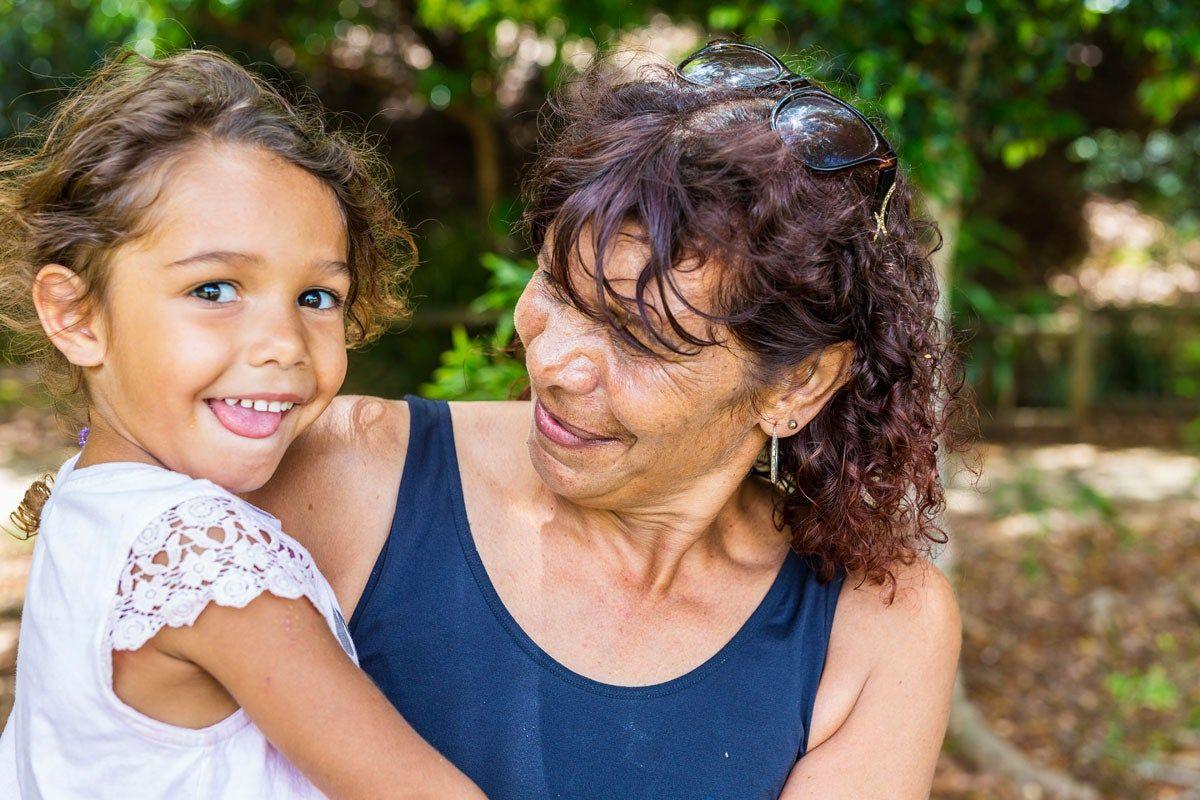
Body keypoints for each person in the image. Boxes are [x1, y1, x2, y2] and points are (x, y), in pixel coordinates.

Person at [251, 41, 968, 799]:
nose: (558, 365)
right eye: (558, 288)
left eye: (638, 338)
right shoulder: (342, 474)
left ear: (797, 383)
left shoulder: (877, 628)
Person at [0, 49, 484, 799]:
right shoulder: (209, 560)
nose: (285, 344)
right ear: (76, 314)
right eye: (215, 288)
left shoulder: (87, 497)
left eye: (317, 297)